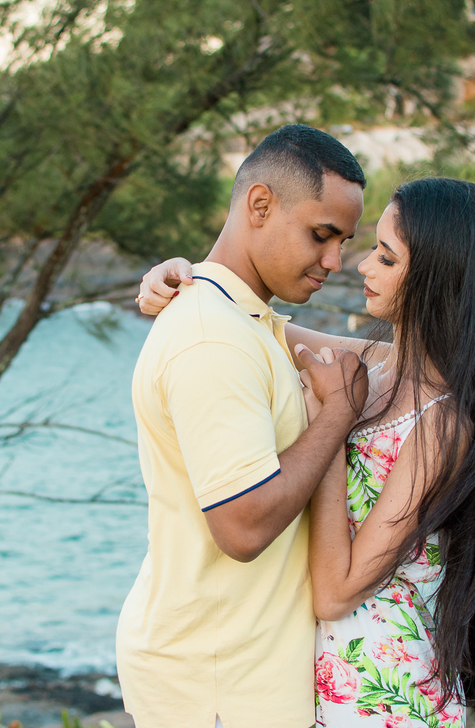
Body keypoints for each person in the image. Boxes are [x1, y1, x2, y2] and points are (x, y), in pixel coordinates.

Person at [138, 177, 475, 727]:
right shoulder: (373, 367)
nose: (359, 266)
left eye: (385, 256)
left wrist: (331, 426)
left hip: (382, 693)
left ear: (437, 277)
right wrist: (181, 280)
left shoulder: (443, 422)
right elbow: (245, 325)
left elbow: (335, 593)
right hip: (325, 683)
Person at [115, 124, 372, 728]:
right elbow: (243, 524)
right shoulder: (214, 339)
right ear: (260, 204)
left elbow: (387, 366)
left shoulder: (247, 321)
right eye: (321, 235)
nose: (335, 261)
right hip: (214, 682)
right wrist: (335, 415)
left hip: (233, 675)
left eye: (345, 242)